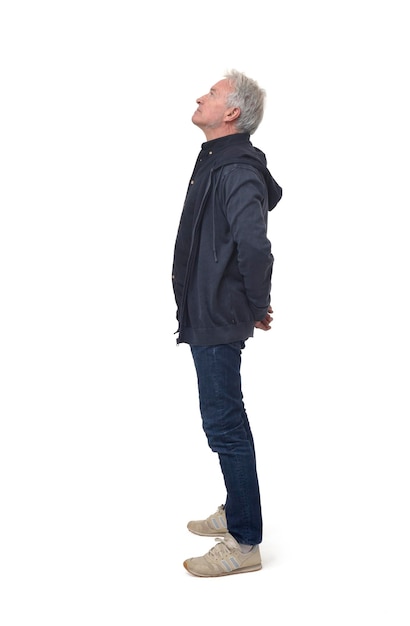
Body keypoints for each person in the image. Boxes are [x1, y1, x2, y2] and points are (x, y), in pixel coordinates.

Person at [172, 70, 282, 577]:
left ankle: (244, 540)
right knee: (224, 421)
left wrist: (257, 303)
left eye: (212, 94)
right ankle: (237, 511)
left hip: (218, 314)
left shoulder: (236, 168)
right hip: (208, 310)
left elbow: (255, 245)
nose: (201, 96)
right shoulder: (218, 159)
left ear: (231, 113)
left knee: (225, 425)